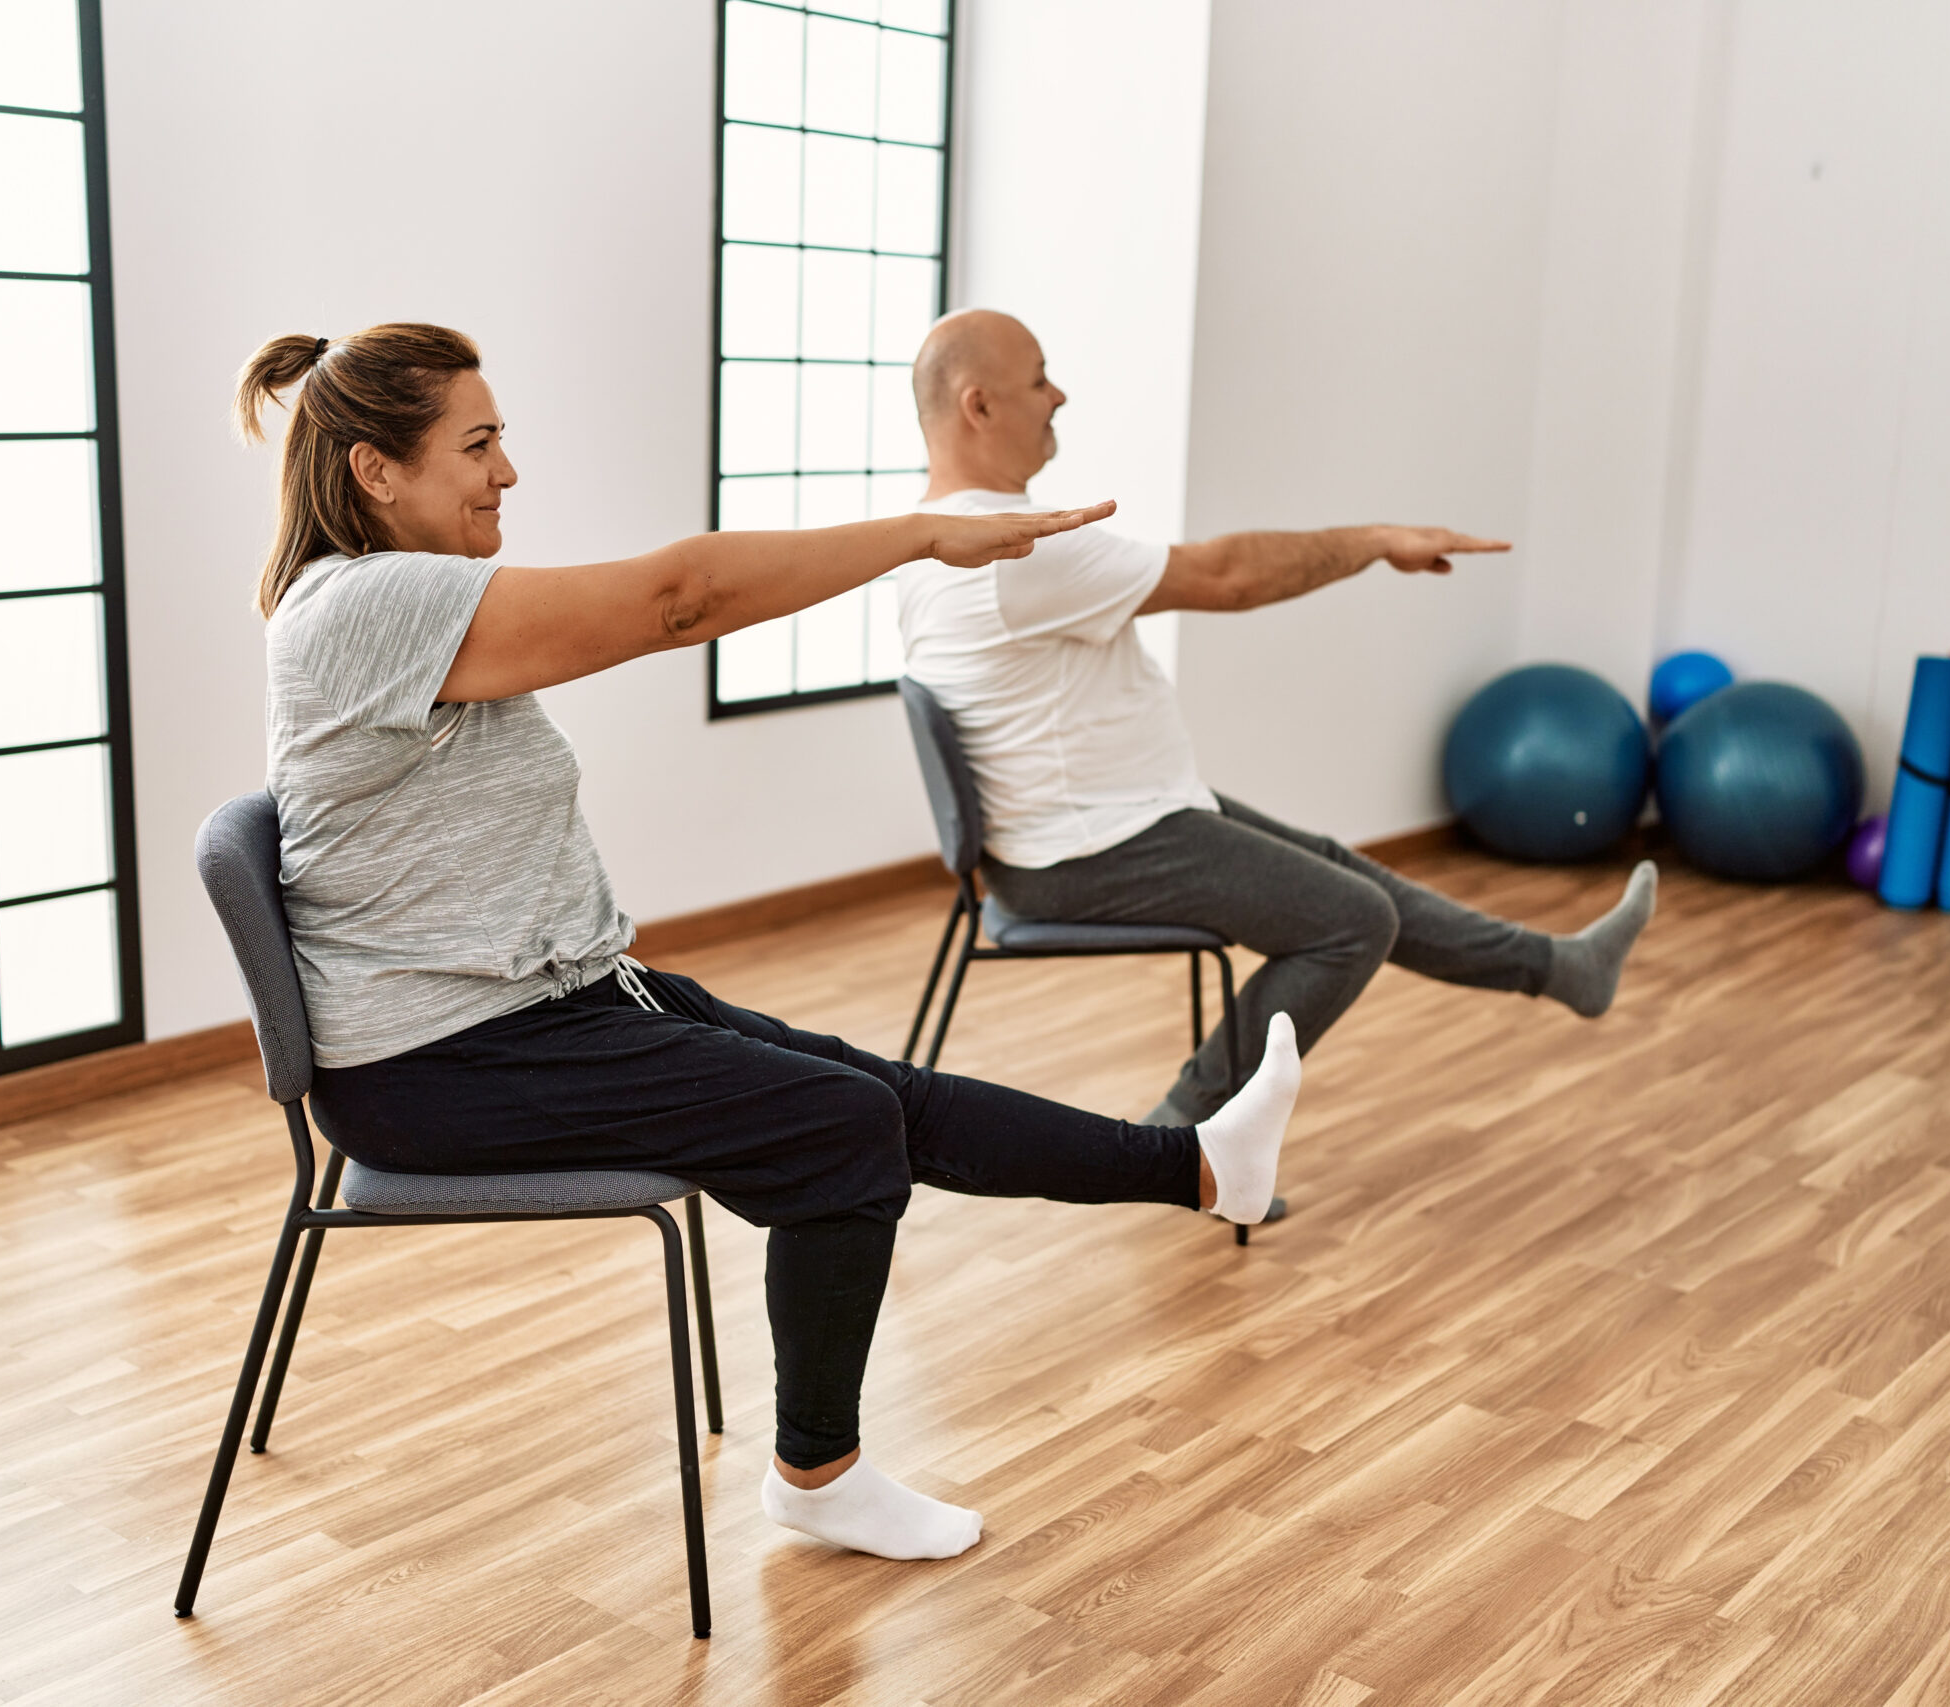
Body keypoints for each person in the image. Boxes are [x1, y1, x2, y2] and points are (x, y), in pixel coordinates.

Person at [239, 323, 1304, 1564]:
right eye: (477, 446)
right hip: (437, 1066)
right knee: (838, 1130)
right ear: (376, 472)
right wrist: (922, 531)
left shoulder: (410, 600)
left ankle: (1201, 1166)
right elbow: (676, 598)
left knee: (871, 1094)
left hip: (542, 1008)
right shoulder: (364, 607)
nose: (506, 474)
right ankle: (818, 1475)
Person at [898, 310, 1657, 1128]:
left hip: (1107, 819)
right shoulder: (1017, 550)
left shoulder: (937, 539)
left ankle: (1561, 967)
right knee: (1351, 920)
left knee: (1342, 874)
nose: (1061, 395)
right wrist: (1376, 540)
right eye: (1040, 377)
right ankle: (1180, 1133)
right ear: (978, 405)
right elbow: (1227, 578)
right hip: (1091, 846)